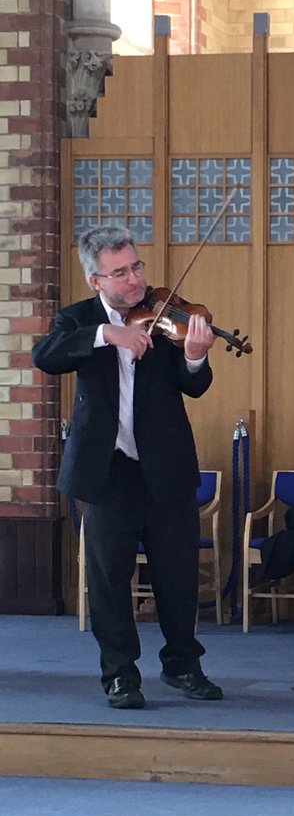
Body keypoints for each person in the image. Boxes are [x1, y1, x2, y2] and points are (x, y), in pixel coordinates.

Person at [33, 225, 224, 710]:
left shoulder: (165, 313)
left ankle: (184, 665)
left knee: (177, 574)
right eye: (120, 272)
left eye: (136, 266)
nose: (135, 279)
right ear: (97, 280)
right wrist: (106, 333)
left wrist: (197, 357)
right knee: (108, 578)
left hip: (165, 467)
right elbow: (46, 357)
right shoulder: (76, 320)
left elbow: (193, 385)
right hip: (108, 471)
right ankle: (120, 675)